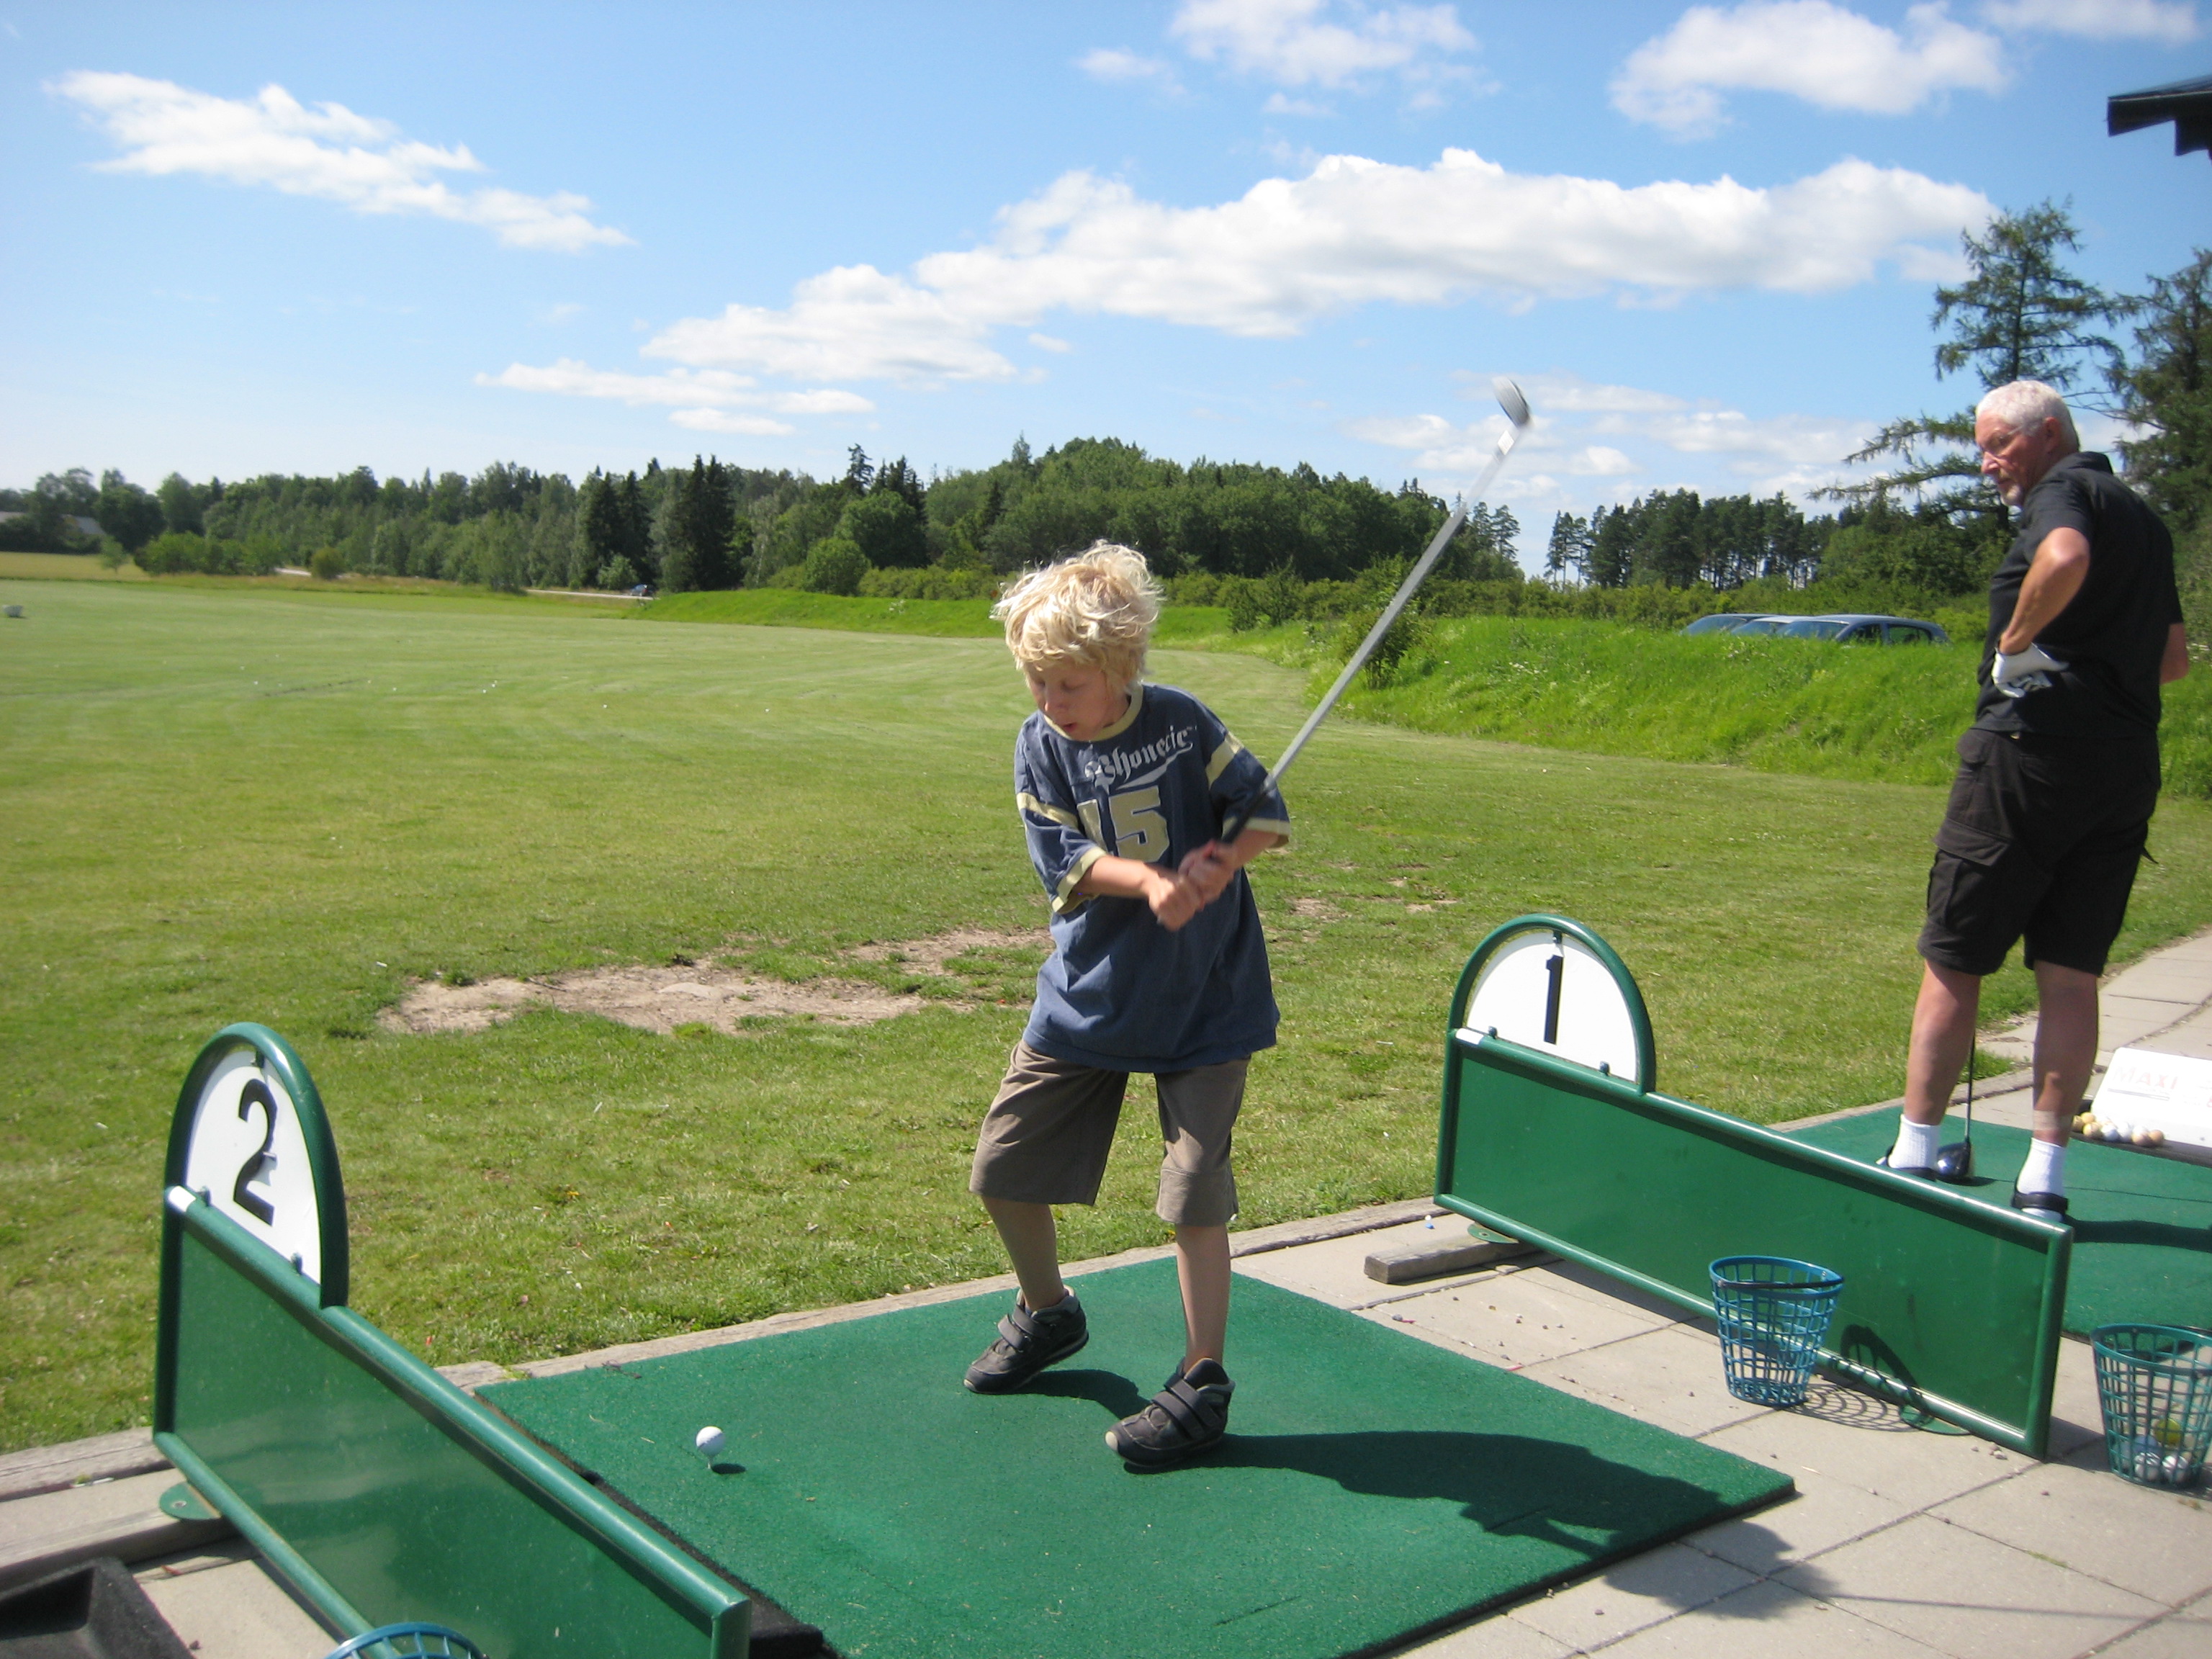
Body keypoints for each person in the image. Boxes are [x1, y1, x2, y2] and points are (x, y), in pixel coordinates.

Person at [963, 541, 1289, 1466]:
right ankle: (1048, 1313)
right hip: (1091, 995)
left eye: (1067, 684)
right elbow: (1062, 861)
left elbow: (1265, 813)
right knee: (1002, 1169)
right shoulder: (1039, 745)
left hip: (1205, 1000)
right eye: (1035, 681)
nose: (1049, 701)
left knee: (1193, 1192)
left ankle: (1201, 1379)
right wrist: (1148, 882)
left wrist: (1221, 862)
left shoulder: (1182, 722)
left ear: (1121, 666)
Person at [1886, 379, 2189, 1224]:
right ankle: (2045, 1179)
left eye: (1999, 445)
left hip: (2026, 759)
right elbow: (2172, 661)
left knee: (1955, 955)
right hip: (2121, 770)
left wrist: (2015, 646)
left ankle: (1913, 1152)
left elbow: (2063, 559)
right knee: (2070, 973)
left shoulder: (2065, 492)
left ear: (2049, 434)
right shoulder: (2144, 518)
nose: (1987, 464)